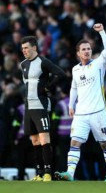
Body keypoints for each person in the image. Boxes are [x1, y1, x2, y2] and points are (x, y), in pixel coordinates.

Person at [54, 23, 106, 182]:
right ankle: (70, 173)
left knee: (105, 143)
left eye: (89, 48)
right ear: (78, 53)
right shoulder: (75, 70)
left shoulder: (98, 64)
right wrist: (70, 105)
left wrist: (102, 31)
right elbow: (74, 88)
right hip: (81, 113)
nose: (87, 51)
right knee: (75, 142)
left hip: (98, 112)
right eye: (84, 49)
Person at [20, 36, 67, 182]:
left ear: (34, 48)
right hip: (29, 106)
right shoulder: (23, 64)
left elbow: (61, 74)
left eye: (26, 48)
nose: (24, 51)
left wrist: (48, 86)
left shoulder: (43, 62)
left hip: (40, 105)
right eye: (22, 48)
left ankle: (48, 172)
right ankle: (39, 173)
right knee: (34, 140)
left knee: (44, 138)